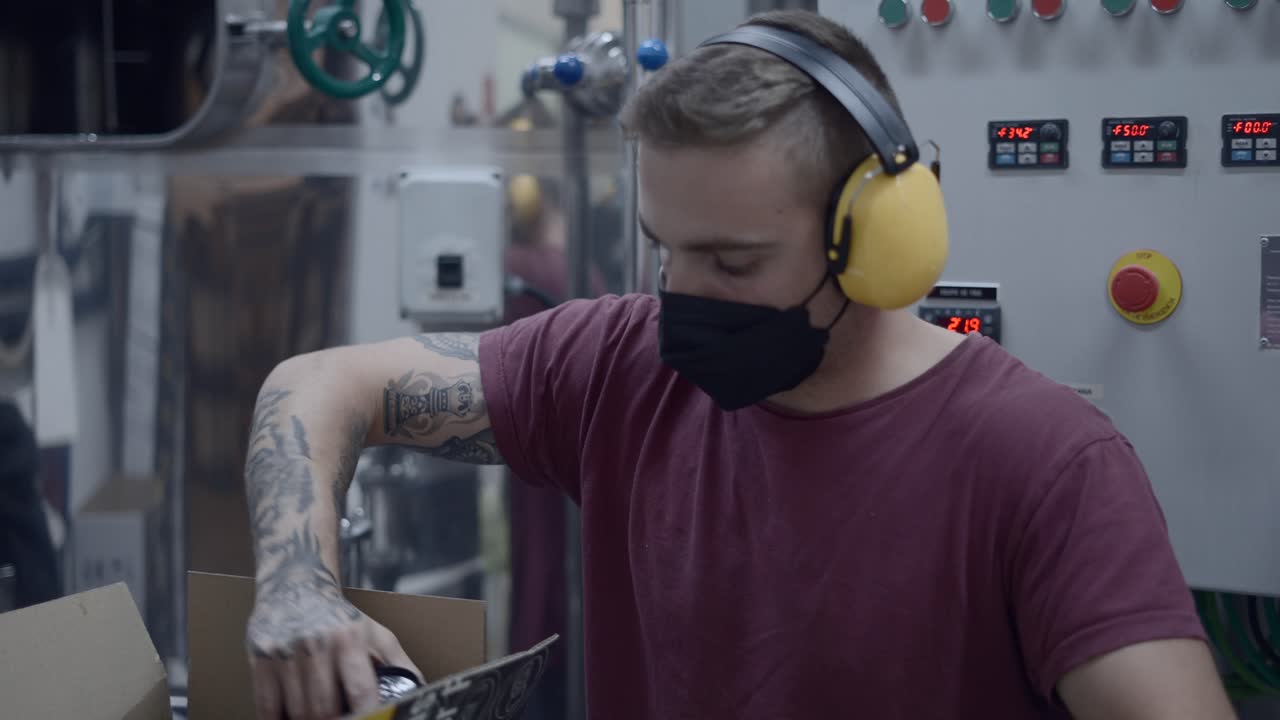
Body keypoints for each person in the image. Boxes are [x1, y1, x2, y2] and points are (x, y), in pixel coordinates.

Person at [242, 10, 1236, 720]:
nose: (681, 293)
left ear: (876, 239)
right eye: (664, 246)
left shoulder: (1045, 465)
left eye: (732, 260)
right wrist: (296, 589)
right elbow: (318, 383)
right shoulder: (614, 368)